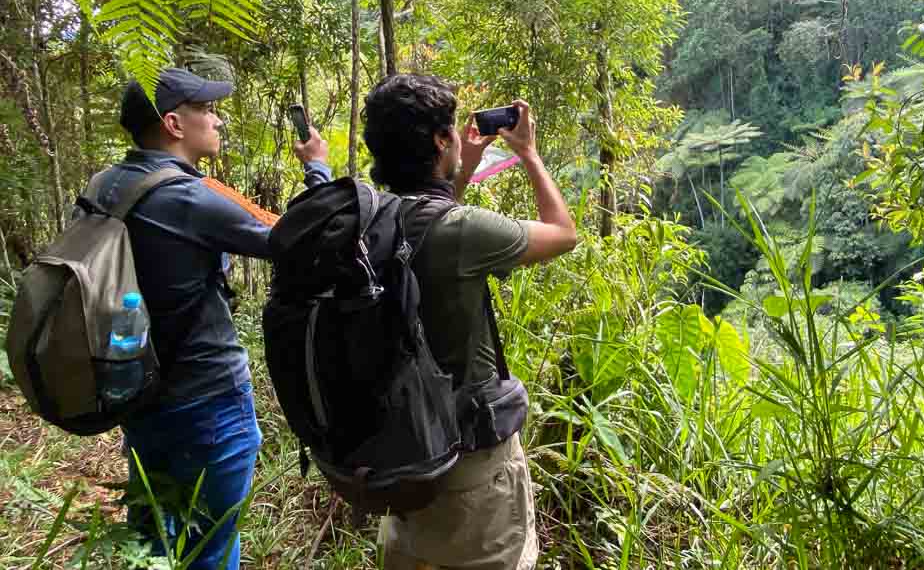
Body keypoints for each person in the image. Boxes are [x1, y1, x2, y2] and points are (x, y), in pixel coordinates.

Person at [91, 67, 330, 570]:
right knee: (213, 547)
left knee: (154, 539)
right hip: (207, 401)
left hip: (134, 390)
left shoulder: (103, 186)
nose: (218, 120)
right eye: (207, 110)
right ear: (175, 124)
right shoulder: (192, 195)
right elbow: (299, 238)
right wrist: (317, 171)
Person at [362, 74, 577, 570]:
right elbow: (563, 234)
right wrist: (529, 154)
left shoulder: (371, 219)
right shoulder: (463, 232)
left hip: (399, 463)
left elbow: (426, 224)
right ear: (441, 141)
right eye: (452, 131)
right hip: (469, 470)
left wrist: (459, 173)